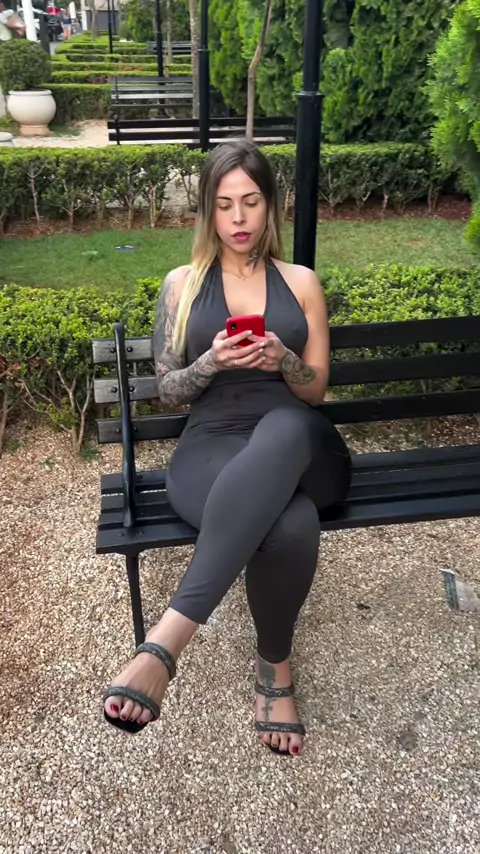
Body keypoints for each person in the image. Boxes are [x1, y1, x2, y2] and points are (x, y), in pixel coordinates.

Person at [103, 140, 352, 757]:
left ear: (271, 206)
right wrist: (210, 362)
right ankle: (275, 672)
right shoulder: (182, 286)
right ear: (208, 212)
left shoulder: (302, 283)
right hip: (212, 448)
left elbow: (314, 391)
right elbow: (168, 391)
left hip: (304, 448)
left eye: (251, 201)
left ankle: (165, 642)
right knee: (289, 521)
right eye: (223, 204)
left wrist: (284, 359)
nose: (239, 218)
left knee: (285, 426)